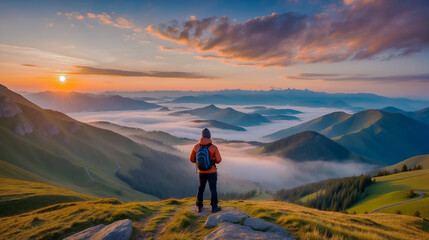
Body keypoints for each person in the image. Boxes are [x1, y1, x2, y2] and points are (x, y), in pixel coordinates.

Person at [190, 128, 222, 213]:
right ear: (209, 136)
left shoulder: (196, 147)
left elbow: (192, 159)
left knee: (201, 188)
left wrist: (200, 163)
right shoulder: (213, 147)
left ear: (202, 136)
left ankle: (199, 206)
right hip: (212, 172)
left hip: (201, 172)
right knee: (213, 189)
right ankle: (214, 207)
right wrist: (212, 161)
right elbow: (219, 160)